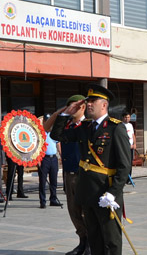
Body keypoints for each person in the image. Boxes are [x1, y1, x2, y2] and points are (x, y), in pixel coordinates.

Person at [49, 85, 131, 255]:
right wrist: (66, 113)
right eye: (88, 101)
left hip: (106, 193)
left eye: (93, 101)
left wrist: (113, 193)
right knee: (94, 239)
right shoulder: (84, 127)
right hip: (87, 193)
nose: (89, 104)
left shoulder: (115, 128)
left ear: (104, 105)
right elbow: (56, 135)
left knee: (112, 240)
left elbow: (125, 166)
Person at [44, 94, 91, 255]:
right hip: (69, 174)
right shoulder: (67, 125)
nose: (72, 110)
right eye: (69, 107)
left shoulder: (88, 125)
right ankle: (82, 242)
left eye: (75, 107)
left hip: (83, 175)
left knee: (86, 211)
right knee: (74, 211)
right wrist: (62, 111)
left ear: (82, 107)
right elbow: (47, 128)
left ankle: (90, 245)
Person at [38, 114, 62, 209]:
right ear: (44, 122)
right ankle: (42, 201)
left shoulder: (54, 133)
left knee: (54, 180)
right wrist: (38, 159)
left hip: (53, 158)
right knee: (43, 181)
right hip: (44, 159)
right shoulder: (40, 133)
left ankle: (53, 199)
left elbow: (58, 144)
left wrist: (61, 156)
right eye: (47, 121)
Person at [122, 112, 136, 182]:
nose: (127, 119)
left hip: (131, 147)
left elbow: (133, 135)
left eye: (128, 117)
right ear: (123, 118)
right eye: (125, 117)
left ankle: (129, 178)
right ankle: (124, 178)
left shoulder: (130, 125)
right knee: (125, 163)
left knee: (130, 163)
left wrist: (134, 144)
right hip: (124, 147)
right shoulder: (121, 126)